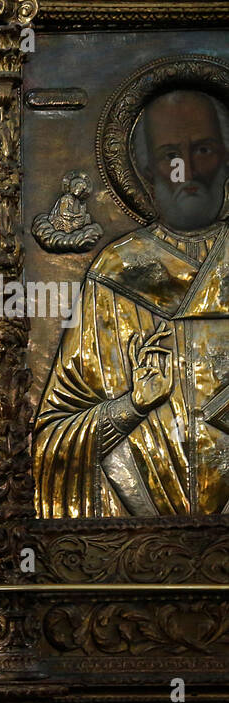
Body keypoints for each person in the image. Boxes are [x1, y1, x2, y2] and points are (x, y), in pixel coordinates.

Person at [34, 89, 229, 515]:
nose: (187, 170)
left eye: (204, 149)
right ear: (145, 171)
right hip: (139, 527)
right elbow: (54, 438)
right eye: (170, 155)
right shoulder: (116, 273)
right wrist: (134, 403)